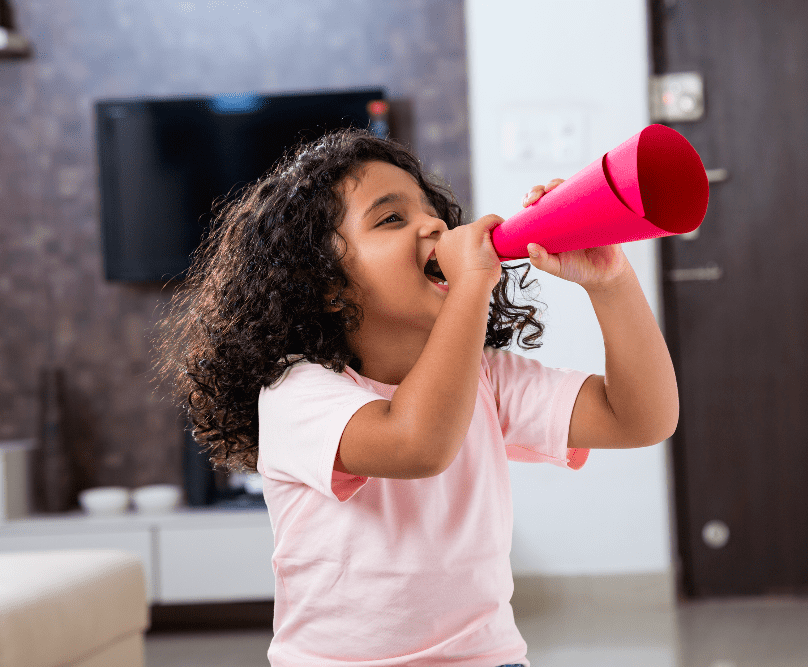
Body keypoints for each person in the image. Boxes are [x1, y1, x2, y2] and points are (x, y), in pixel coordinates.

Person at [157, 127, 679, 667]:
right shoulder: (297, 393)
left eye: (433, 212)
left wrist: (610, 283)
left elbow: (639, 419)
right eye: (391, 218)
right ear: (325, 285)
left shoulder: (485, 377)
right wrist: (473, 285)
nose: (434, 224)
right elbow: (416, 445)